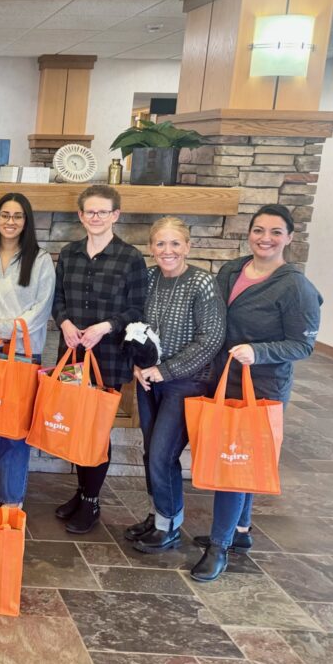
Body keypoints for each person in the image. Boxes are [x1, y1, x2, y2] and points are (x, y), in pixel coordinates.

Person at [191, 205, 321, 582]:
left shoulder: (295, 286)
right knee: (240, 459)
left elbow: (303, 345)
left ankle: (218, 546)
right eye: (259, 230)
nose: (266, 238)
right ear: (248, 233)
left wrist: (259, 351)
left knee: (234, 465)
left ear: (290, 238)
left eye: (276, 232)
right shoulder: (231, 270)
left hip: (263, 387)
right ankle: (241, 532)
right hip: (224, 378)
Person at [52, 185, 147, 533]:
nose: (95, 217)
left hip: (108, 355)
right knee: (78, 425)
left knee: (97, 429)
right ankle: (81, 492)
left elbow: (138, 310)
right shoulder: (69, 253)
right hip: (73, 355)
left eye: (103, 212)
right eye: (89, 212)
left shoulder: (130, 258)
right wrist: (63, 322)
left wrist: (105, 327)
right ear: (80, 216)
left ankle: (91, 502)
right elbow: (58, 298)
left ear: (115, 215)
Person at [126, 217, 225, 552]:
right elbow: (133, 327)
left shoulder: (202, 283)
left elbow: (210, 339)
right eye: (160, 244)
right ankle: (157, 515)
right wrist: (138, 366)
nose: (167, 251)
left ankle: (169, 526)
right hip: (148, 380)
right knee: (150, 451)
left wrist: (165, 371)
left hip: (187, 382)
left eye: (174, 244)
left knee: (162, 454)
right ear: (151, 247)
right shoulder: (149, 278)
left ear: (187, 246)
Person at [0, 193, 54, 506]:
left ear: (26, 221)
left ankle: (10, 495)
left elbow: (42, 310)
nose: (10, 221)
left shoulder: (40, 260)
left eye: (17, 216)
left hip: (21, 354)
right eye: (5, 215)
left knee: (14, 429)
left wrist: (4, 328)